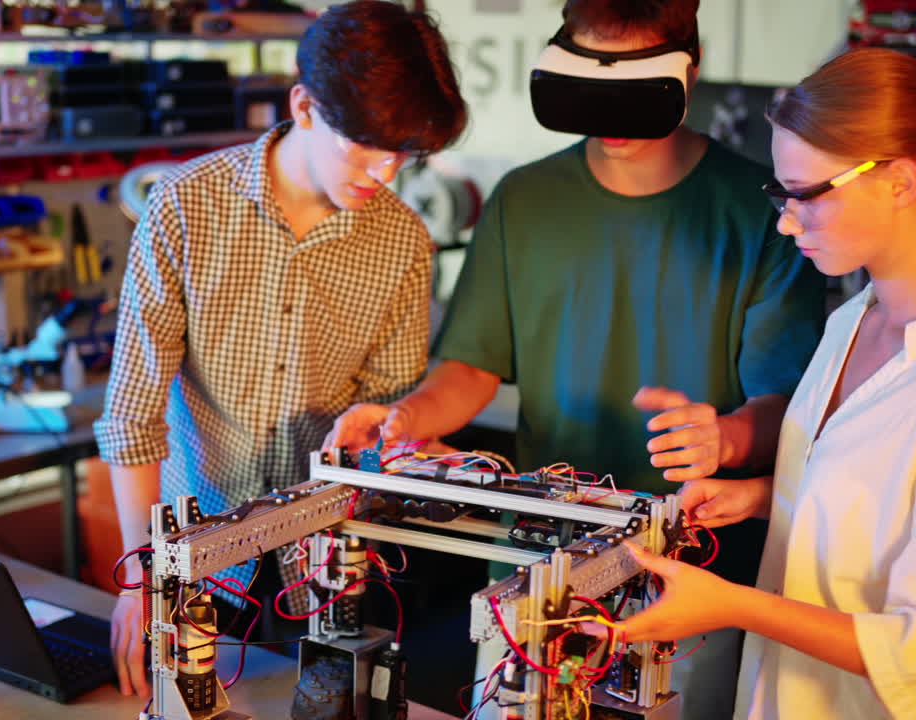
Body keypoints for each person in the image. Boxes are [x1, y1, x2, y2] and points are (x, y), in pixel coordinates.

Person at [324, 1, 824, 716]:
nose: (610, 117)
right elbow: (471, 367)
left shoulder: (767, 211)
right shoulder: (524, 200)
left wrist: (725, 438)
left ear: (687, 72)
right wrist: (405, 418)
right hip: (537, 565)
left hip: (692, 576)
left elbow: (789, 409)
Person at [92, 0, 467, 698]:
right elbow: (132, 414)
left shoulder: (404, 243)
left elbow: (385, 413)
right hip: (194, 553)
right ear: (304, 106)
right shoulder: (185, 206)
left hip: (327, 562)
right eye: (365, 145)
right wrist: (143, 574)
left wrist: (393, 435)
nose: (385, 172)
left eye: (403, 153)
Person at [618, 48, 916, 719]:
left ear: (901, 181)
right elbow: (891, 508)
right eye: (780, 195)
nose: (787, 222)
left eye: (808, 195)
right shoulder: (855, 320)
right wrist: (769, 497)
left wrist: (733, 605)